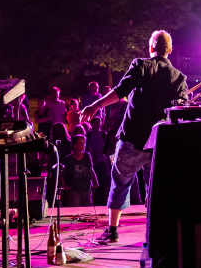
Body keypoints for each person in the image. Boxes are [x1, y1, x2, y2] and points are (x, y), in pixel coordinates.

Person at [81, 30, 188, 243]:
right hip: (159, 143)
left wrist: (95, 105)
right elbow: (181, 109)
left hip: (133, 139)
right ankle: (156, 234)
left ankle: (112, 231)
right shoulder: (179, 78)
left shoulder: (141, 65)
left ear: (150, 48)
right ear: (170, 50)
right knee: (156, 188)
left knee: (120, 182)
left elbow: (120, 91)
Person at [57, 133, 99, 207]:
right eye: (80, 143)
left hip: (86, 188)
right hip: (74, 190)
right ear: (74, 145)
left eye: (84, 143)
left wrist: (95, 182)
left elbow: (91, 169)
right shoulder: (68, 159)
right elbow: (62, 174)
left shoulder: (87, 156)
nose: (83, 145)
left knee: (87, 211)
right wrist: (64, 186)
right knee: (76, 210)